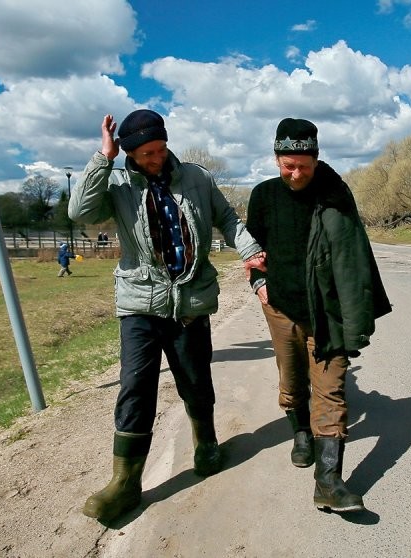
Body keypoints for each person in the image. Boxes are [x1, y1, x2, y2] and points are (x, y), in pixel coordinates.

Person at [69, 109, 265, 522]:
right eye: (147, 153)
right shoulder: (117, 181)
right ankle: (125, 483)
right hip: (140, 302)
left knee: (195, 378)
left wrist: (250, 250)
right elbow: (80, 212)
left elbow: (227, 219)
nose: (157, 158)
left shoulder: (196, 177)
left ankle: (206, 444)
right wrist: (102, 158)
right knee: (135, 385)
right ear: (130, 152)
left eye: (160, 149)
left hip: (190, 300)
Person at [245, 118, 391, 513]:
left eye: (303, 167)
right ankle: (301, 435)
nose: (295, 174)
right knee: (292, 383)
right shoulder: (263, 196)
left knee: (331, 389)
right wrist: (258, 284)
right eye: (287, 166)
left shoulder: (335, 196)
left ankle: (328, 482)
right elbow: (252, 249)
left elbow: (353, 254)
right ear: (276, 159)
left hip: (328, 312)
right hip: (280, 309)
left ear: (316, 159)